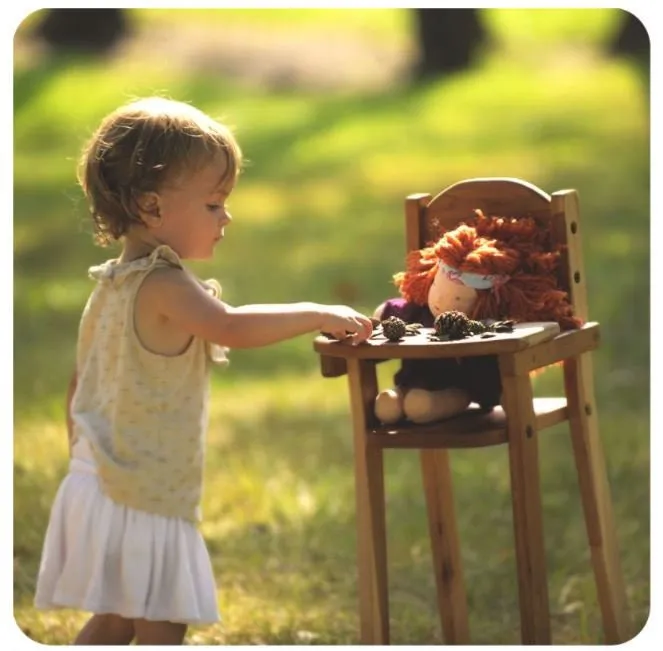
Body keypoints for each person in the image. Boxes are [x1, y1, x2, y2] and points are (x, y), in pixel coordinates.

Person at [33, 96, 373, 645]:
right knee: (161, 624)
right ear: (152, 208)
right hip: (143, 491)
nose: (227, 217)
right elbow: (232, 326)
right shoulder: (164, 285)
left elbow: (81, 382)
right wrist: (319, 312)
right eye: (214, 205)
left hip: (99, 476)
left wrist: (86, 468)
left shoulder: (110, 286)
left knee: (116, 621)